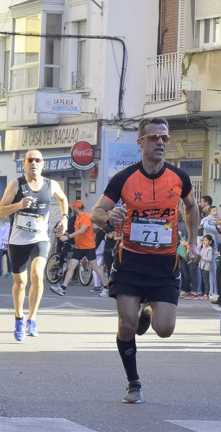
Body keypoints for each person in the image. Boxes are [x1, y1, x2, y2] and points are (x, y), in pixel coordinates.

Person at [90, 117, 200, 405]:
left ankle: (148, 312)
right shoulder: (124, 179)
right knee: (126, 326)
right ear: (141, 142)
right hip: (131, 262)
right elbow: (96, 212)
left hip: (164, 264)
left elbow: (191, 207)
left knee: (165, 330)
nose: (161, 143)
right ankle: (133, 382)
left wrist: (194, 241)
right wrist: (108, 217)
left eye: (164, 138)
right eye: (154, 138)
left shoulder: (179, 178)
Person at [0, 150, 69, 340]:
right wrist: (19, 205)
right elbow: (0, 211)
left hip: (40, 238)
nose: (34, 163)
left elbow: (63, 198)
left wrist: (65, 218)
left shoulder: (50, 184)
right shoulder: (16, 184)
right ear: (24, 165)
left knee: (37, 275)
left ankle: (32, 318)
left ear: (43, 164)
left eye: (38, 160)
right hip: (18, 240)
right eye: (30, 160)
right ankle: (19, 318)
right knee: (20, 283)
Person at [51, 200, 110, 298]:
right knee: (71, 266)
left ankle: (105, 288)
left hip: (88, 246)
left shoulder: (87, 217)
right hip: (79, 247)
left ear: (77, 208)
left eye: (74, 207)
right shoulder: (77, 218)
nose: (73, 209)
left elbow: (82, 231)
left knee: (95, 267)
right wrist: (62, 234)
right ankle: (63, 289)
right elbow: (74, 231)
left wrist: (68, 237)